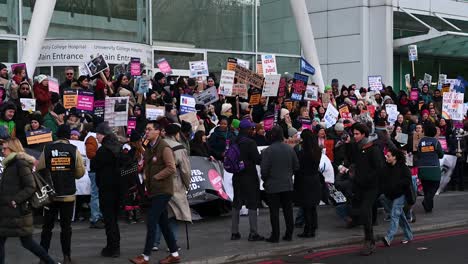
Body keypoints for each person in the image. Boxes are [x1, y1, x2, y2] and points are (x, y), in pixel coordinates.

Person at [0, 138, 59, 264]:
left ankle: (50, 262)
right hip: (8, 211)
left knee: (27, 242)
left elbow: (30, 186)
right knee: (24, 242)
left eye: (5, 148)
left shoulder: (19, 164)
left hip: (17, 211)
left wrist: (15, 200)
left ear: (13, 149)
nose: (2, 151)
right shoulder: (10, 164)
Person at [129, 120, 180, 264]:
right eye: (146, 129)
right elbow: (146, 164)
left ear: (158, 131)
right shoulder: (149, 147)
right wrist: (142, 170)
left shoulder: (164, 147)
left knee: (151, 221)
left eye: (150, 129)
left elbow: (171, 168)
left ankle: (145, 257)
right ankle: (174, 254)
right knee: (163, 223)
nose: (147, 131)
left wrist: (155, 177)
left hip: (163, 190)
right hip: (153, 190)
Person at [37, 124, 85, 264]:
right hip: (68, 194)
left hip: (51, 195)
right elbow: (80, 172)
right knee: (66, 227)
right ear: (69, 136)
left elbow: (39, 168)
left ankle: (43, 257)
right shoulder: (73, 149)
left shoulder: (47, 148)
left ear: (57, 135)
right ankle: (67, 257)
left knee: (47, 227)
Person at [343, 123, 385, 256]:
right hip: (359, 185)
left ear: (364, 134)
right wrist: (347, 145)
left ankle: (368, 241)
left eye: (356, 134)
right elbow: (352, 160)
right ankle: (370, 238)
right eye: (353, 134)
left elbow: (379, 168)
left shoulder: (373, 148)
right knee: (363, 211)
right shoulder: (357, 147)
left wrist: (366, 178)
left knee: (366, 210)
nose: (354, 136)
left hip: (372, 187)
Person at [153, 123, 191, 252]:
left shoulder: (157, 145)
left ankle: (154, 242)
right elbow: (185, 170)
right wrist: (187, 184)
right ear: (176, 134)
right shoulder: (179, 148)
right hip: (174, 183)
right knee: (173, 214)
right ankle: (172, 244)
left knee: (159, 213)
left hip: (157, 183)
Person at [261, 126, 299, 243]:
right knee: (288, 210)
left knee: (274, 212)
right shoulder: (290, 149)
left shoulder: (268, 151)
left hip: (273, 185)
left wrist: (266, 180)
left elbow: (264, 170)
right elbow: (296, 166)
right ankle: (289, 234)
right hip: (287, 184)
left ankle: (275, 236)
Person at [92, 122, 124, 257]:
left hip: (106, 189)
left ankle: (113, 247)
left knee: (109, 219)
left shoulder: (103, 150)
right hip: (119, 188)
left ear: (103, 135)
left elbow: (94, 166)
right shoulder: (118, 147)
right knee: (114, 219)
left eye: (98, 135)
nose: (96, 137)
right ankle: (115, 244)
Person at [230, 119, 264, 242]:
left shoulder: (234, 140)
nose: (253, 130)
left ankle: (234, 232)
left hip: (237, 176)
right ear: (247, 130)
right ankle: (253, 233)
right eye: (252, 128)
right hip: (249, 176)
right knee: (252, 203)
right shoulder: (250, 142)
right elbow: (257, 160)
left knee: (237, 202)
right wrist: (263, 155)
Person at [379, 148, 414, 246]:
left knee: (394, 214)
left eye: (389, 156)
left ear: (394, 157)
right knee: (400, 216)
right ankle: (409, 235)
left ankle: (388, 238)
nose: (387, 157)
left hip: (401, 194)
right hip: (390, 195)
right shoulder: (386, 167)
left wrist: (396, 184)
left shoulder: (403, 168)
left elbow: (408, 181)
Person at [294, 129, 322, 238]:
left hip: (304, 180)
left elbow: (297, 167)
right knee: (312, 206)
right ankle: (313, 227)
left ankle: (308, 229)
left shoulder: (302, 153)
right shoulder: (317, 150)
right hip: (314, 179)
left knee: (306, 207)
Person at [417, 123, 444, 213]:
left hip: (422, 168)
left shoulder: (421, 141)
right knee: (435, 185)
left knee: (426, 188)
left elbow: (418, 154)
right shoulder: (435, 142)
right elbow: (441, 155)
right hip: (433, 168)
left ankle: (428, 208)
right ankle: (426, 201)